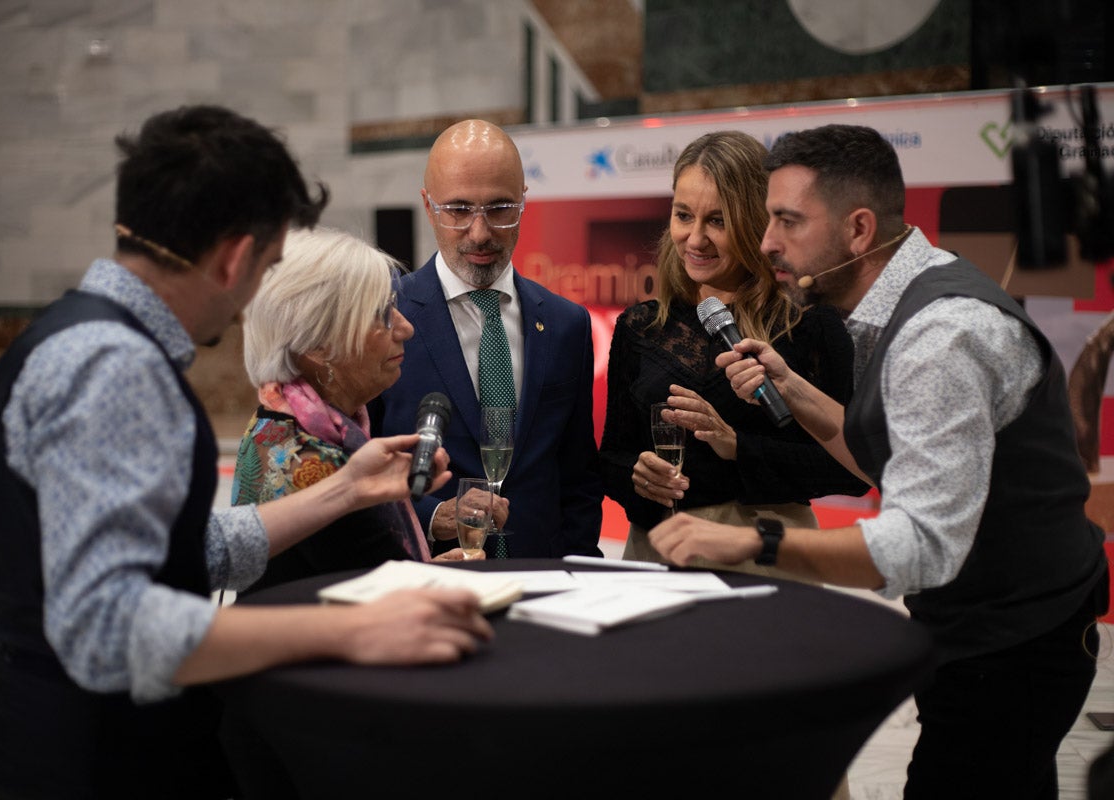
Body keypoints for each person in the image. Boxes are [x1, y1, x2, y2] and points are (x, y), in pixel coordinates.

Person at [0, 105, 493, 800]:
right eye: (265, 266)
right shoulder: (113, 366)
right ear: (236, 256)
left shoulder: (75, 336)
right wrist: (350, 631)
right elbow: (110, 626)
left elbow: (182, 547)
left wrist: (348, 488)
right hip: (86, 765)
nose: (249, 305)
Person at [650, 123, 1109, 799]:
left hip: (1016, 646)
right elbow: (887, 459)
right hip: (1000, 632)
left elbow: (920, 546)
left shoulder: (939, 340)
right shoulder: (907, 298)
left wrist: (751, 541)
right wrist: (795, 388)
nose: (768, 241)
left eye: (787, 220)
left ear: (859, 230)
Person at [600, 131, 869, 577]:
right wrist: (637, 476)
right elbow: (611, 457)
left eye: (718, 221)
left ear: (756, 223)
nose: (695, 238)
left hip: (765, 560)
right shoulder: (641, 326)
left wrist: (737, 448)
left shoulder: (811, 323)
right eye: (683, 215)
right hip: (654, 557)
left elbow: (853, 472)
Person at [368, 118, 603, 558]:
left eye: (499, 209)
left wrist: (582, 571)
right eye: (458, 210)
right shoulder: (383, 317)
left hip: (543, 584)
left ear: (523, 203)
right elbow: (354, 468)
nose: (479, 233)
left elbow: (578, 479)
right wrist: (433, 518)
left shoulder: (565, 324)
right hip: (426, 583)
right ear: (428, 205)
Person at [231, 226, 494, 589]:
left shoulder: (290, 420)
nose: (405, 329)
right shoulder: (312, 464)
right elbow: (379, 606)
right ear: (320, 344)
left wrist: (428, 568)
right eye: (381, 315)